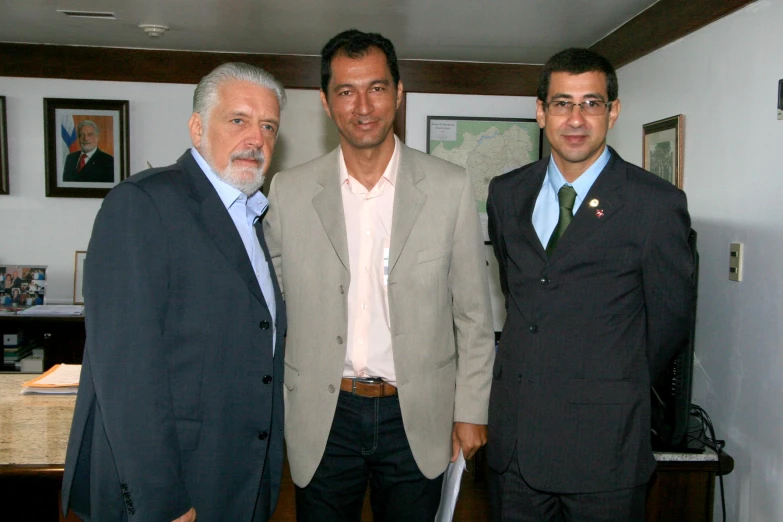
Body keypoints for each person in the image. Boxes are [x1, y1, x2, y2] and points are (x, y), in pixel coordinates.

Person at [264, 29, 495, 521]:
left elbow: (474, 314)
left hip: (417, 415)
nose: (362, 106)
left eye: (376, 87)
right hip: (324, 417)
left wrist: (471, 410)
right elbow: (272, 309)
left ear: (399, 93)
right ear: (326, 103)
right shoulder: (288, 191)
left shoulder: (449, 188)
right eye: (346, 91)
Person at [61, 62, 288, 522]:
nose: (256, 138)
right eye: (238, 120)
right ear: (198, 127)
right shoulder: (142, 204)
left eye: (268, 125)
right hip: (173, 489)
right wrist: (162, 500)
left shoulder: (253, 218)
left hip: (238, 479)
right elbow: (125, 373)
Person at [486, 48, 696, 521]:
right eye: (562, 103)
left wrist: (606, 380)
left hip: (604, 452)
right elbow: (521, 292)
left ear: (613, 111)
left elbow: (669, 322)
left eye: (591, 103)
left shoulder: (654, 205)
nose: (575, 118)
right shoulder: (506, 192)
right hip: (514, 451)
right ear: (540, 112)